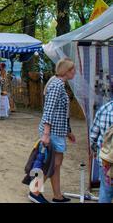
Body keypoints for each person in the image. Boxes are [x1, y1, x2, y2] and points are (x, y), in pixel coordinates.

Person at [28, 58, 76, 204]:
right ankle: (34, 191)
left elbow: (61, 112)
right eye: (72, 69)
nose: (74, 72)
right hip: (52, 132)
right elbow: (49, 110)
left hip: (57, 131)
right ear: (66, 71)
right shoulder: (57, 85)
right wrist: (46, 134)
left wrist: (68, 131)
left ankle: (57, 195)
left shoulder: (58, 83)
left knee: (55, 163)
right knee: (52, 163)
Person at [90, 100, 113, 203]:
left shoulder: (104, 109)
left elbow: (93, 136)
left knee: (105, 192)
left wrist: (96, 151)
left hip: (106, 161)